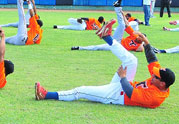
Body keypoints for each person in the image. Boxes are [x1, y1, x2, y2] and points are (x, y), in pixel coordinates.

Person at [35, 20, 175, 108]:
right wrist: (146, 42)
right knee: (132, 60)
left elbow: (130, 92)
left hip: (116, 96)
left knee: (81, 90)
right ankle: (106, 37)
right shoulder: (160, 81)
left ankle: (46, 95)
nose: (153, 76)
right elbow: (152, 60)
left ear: (162, 84)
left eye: (156, 77)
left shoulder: (155, 98)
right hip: (123, 86)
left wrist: (123, 77)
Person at [72, 0, 144, 52]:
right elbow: (127, 25)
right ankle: (117, 7)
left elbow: (140, 49)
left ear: (142, 40)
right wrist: (122, 13)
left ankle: (79, 47)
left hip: (117, 47)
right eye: (139, 36)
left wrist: (143, 43)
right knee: (122, 25)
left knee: (97, 47)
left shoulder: (139, 46)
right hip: (117, 40)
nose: (138, 37)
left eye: (140, 37)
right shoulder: (134, 35)